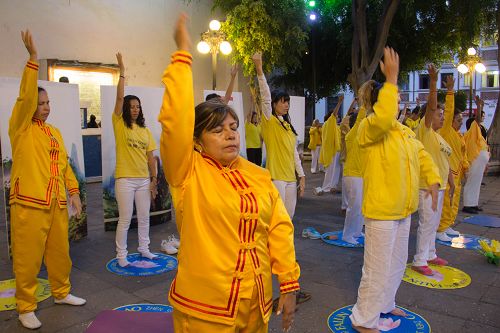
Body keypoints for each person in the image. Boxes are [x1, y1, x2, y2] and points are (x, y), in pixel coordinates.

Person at [159, 14, 300, 332]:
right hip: (205, 310)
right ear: (196, 140)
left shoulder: (257, 175)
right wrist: (183, 54)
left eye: (234, 128)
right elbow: (174, 121)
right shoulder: (188, 171)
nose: (231, 135)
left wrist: (289, 283)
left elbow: (278, 228)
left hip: (256, 305)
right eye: (218, 130)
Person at [349, 48, 440, 333]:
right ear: (381, 102)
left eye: (398, 93)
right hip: (381, 211)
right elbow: (385, 117)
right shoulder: (369, 128)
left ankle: (386, 303)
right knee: (376, 268)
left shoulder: (404, 132)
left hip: (403, 210)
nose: (399, 97)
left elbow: (422, 156)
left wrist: (433, 180)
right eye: (394, 94)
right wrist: (391, 79)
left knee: (397, 262)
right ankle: (365, 319)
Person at [9, 30, 86, 330]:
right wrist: (32, 61)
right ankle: (25, 306)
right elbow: (24, 97)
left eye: (48, 103)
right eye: (41, 103)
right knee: (28, 259)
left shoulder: (53, 132)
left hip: (55, 203)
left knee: (60, 253)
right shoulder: (20, 128)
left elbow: (65, 165)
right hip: (29, 202)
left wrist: (74, 193)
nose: (46, 107)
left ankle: (61, 291)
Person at [113, 52, 158, 267]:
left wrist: (153, 179)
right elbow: (119, 98)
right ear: (125, 109)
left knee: (144, 217)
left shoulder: (145, 131)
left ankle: (144, 248)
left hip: (142, 180)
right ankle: (121, 255)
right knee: (124, 219)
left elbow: (151, 158)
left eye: (137, 106)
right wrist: (122, 72)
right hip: (125, 179)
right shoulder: (120, 124)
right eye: (131, 106)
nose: (134, 109)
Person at [411, 64, 453, 276]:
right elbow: (431, 106)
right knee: (427, 223)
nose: (442, 116)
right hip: (426, 186)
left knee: (433, 224)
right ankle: (420, 259)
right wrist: (434, 83)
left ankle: (430, 254)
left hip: (440, 186)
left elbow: (445, 162)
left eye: (444, 114)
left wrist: (451, 183)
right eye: (440, 114)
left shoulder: (439, 136)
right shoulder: (424, 129)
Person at [252, 52, 305, 219]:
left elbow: (294, 153)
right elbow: (266, 98)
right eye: (282, 101)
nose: (286, 104)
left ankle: (284, 246)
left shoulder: (288, 127)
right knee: (276, 218)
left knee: (289, 218)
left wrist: (302, 176)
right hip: (276, 178)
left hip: (291, 178)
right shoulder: (269, 121)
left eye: (287, 101)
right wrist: (260, 70)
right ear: (274, 104)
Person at [436, 75, 469, 240]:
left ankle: (448, 225)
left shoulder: (459, 135)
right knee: (446, 202)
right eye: (458, 119)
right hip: (447, 171)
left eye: (462, 120)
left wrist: (466, 167)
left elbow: (463, 155)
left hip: (457, 173)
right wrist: (450, 92)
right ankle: (440, 228)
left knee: (454, 201)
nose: (460, 122)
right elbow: (448, 112)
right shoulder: (447, 131)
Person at [341, 94, 367, 244]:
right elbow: (360, 118)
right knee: (354, 206)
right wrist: (364, 102)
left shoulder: (360, 136)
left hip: (360, 174)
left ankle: (357, 231)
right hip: (352, 174)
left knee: (360, 206)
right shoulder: (352, 134)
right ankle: (347, 234)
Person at [462, 95, 490, 213]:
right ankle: (467, 205)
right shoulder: (471, 131)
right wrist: (478, 106)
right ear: (472, 125)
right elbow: (477, 119)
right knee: (472, 182)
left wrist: (481, 106)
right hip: (474, 161)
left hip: (480, 162)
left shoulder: (477, 133)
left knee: (477, 184)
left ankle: (473, 203)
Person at [314, 98, 343, 195]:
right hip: (331, 150)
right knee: (331, 170)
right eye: (337, 116)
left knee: (336, 169)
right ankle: (327, 187)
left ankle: (333, 186)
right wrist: (339, 103)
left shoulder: (334, 125)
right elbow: (334, 115)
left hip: (335, 149)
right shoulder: (329, 123)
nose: (338, 117)